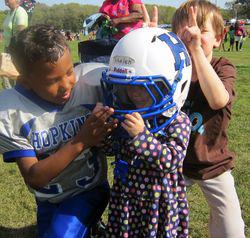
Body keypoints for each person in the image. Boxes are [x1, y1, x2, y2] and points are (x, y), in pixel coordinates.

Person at [0, 24, 117, 238]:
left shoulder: (91, 82)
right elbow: (34, 177)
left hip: (88, 189)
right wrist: (80, 141)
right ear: (25, 81)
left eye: (69, 72)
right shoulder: (10, 111)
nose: (66, 85)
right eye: (53, 81)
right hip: (47, 199)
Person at [101, 27, 192, 237]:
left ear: (172, 84)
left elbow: (171, 160)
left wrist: (141, 136)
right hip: (127, 198)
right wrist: (102, 131)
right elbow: (112, 149)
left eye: (144, 87)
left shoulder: (177, 121)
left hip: (158, 200)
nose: (134, 92)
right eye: (128, 87)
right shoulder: (127, 113)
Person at [172, 1, 245, 237]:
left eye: (200, 30)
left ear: (218, 38)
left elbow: (217, 100)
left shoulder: (224, 67)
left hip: (214, 164)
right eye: (183, 31)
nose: (190, 35)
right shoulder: (170, 69)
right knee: (160, 219)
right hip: (176, 163)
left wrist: (195, 51)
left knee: (231, 231)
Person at [2, 0, 28, 89]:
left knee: (9, 74)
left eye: (8, 0)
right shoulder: (10, 12)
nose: (6, 3)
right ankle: (10, 93)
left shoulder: (20, 12)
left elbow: (22, 32)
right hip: (8, 47)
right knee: (6, 74)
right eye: (5, 1)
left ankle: (13, 95)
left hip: (15, 49)